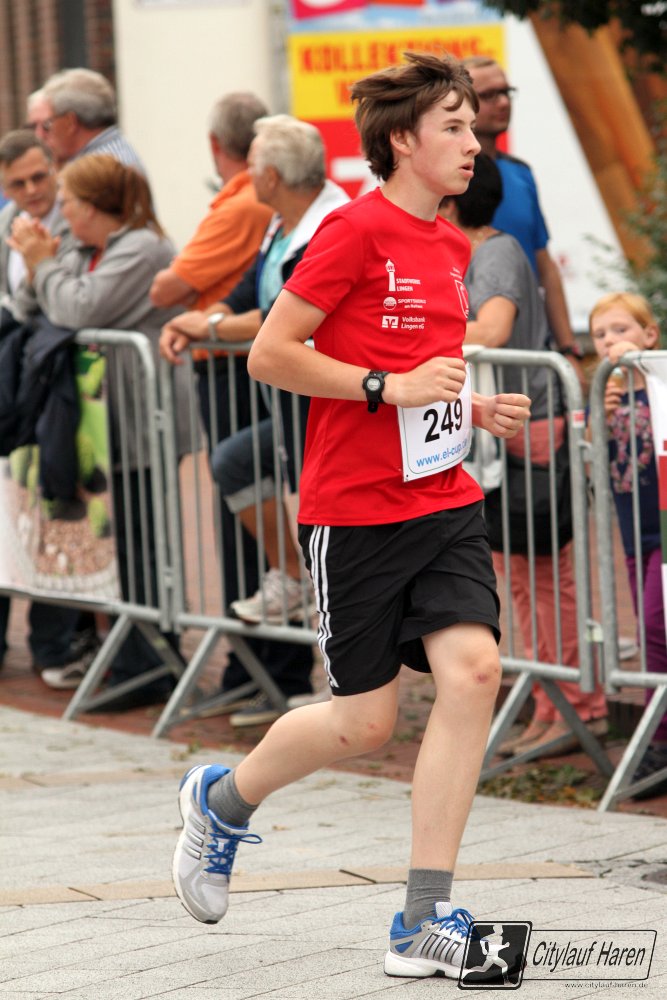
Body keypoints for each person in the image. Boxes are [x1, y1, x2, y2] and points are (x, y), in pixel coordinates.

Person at [170, 52, 530, 980]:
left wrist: (472, 406)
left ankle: (421, 917)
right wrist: (385, 387)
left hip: (443, 497)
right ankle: (221, 801)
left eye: (473, 125)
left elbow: (423, 373)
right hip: (356, 512)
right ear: (402, 141)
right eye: (454, 126)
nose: (474, 142)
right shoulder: (352, 231)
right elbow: (271, 354)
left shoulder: (450, 246)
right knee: (365, 723)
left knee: (473, 671)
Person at [160, 114, 349, 726]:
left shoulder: (328, 226)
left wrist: (206, 324)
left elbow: (280, 316)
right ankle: (293, 581)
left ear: (270, 176)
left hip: (332, 401)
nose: (245, 177)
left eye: (253, 168)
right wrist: (210, 318)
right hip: (293, 403)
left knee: (337, 537)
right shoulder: (281, 222)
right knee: (236, 462)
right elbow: (248, 291)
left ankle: (342, 679)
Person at [439, 153, 607, 756]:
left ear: (453, 202)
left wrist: (417, 342)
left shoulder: (495, 251)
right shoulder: (478, 252)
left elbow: (493, 329)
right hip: (505, 429)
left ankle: (577, 706)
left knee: (546, 575)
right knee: (520, 577)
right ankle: (549, 703)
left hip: (529, 427)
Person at [8, 153, 189, 701]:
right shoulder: (85, 248)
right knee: (121, 546)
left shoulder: (142, 248)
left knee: (144, 545)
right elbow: (32, 308)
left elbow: (76, 309)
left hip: (144, 420)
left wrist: (44, 265)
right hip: (104, 426)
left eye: (67, 201)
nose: (60, 211)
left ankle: (151, 665)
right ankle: (134, 659)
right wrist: (40, 265)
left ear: (92, 207)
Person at [0, 129, 96, 685]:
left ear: (54, 169)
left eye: (40, 177)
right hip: (19, 385)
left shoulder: (73, 221)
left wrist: (39, 270)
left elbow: (65, 305)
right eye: (19, 183)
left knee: (56, 511)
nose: (33, 190)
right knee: (15, 512)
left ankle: (54, 647)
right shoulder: (7, 226)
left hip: (65, 390)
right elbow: (18, 304)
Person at [462, 57, 585, 386]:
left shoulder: (520, 173)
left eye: (506, 92)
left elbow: (545, 266)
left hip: (530, 353)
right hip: (471, 358)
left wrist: (568, 349)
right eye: (489, 95)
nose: (503, 102)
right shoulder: (443, 179)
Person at [590, 292, 667, 797]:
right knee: (649, 630)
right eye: (600, 334)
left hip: (662, 528)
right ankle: (659, 740)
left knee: (657, 623)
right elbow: (590, 459)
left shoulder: (659, 388)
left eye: (621, 329)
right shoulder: (606, 394)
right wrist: (598, 416)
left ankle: (657, 739)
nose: (609, 341)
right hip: (633, 533)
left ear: (648, 335)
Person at [150, 92, 272, 312]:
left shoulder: (240, 207)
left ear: (214, 143)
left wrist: (191, 287)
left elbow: (163, 291)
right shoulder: (259, 196)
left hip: (223, 331)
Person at [38, 68, 145, 171]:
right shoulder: (118, 152)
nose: (40, 135)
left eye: (48, 124)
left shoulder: (92, 172)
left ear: (69, 122)